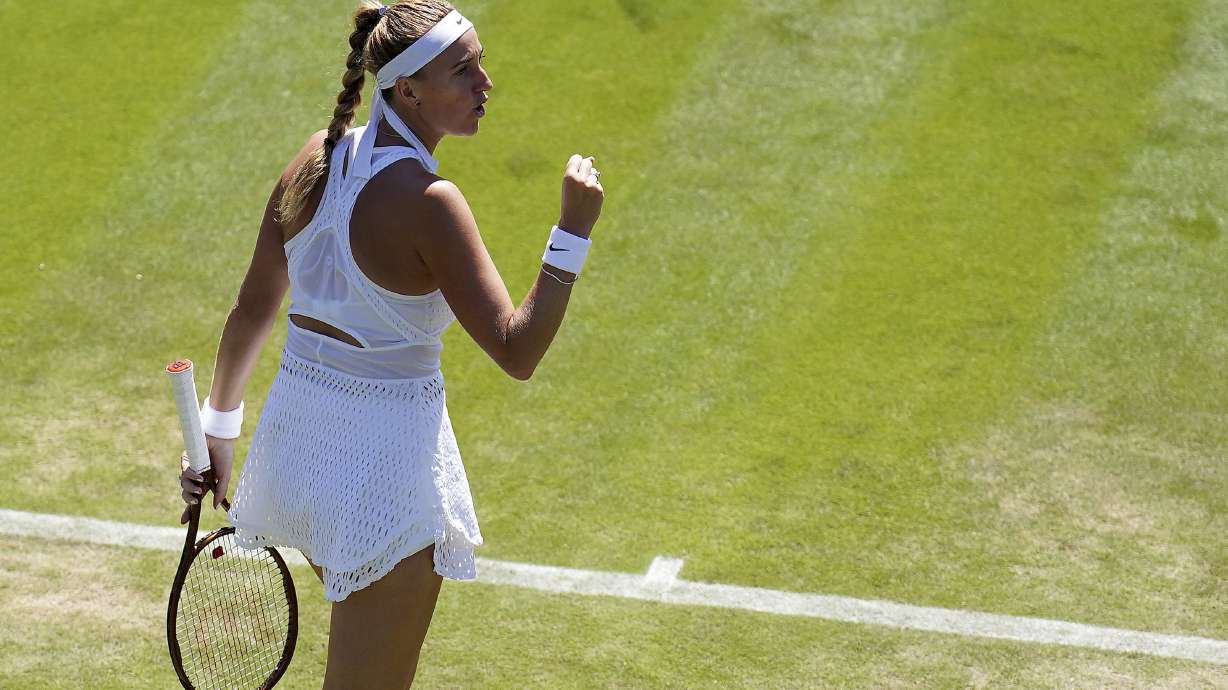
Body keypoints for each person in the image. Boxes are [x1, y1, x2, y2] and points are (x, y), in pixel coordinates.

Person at [177, 0, 604, 686]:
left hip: (295, 457)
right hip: (382, 483)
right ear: (407, 89)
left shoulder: (311, 159)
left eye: (480, 63)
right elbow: (516, 351)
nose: (485, 83)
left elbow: (253, 307)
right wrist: (572, 235)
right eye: (463, 71)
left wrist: (218, 431)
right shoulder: (430, 201)